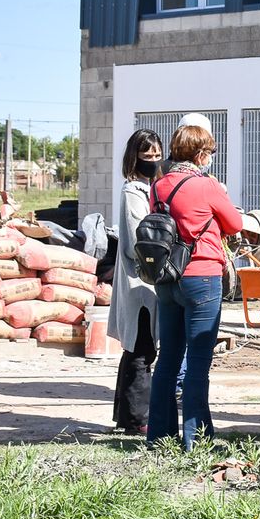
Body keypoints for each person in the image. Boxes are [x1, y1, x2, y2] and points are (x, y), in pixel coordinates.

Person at [146, 123, 243, 451]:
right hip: (202, 276)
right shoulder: (207, 185)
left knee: (168, 357)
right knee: (199, 359)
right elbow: (235, 224)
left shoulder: (158, 185)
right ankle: (197, 439)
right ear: (201, 154)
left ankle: (159, 436)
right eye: (210, 153)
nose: (210, 158)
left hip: (168, 277)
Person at [109, 129, 163, 434]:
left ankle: (126, 416)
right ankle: (138, 418)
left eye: (156, 156)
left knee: (139, 350)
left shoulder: (149, 189)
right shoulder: (133, 192)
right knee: (141, 350)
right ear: (135, 158)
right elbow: (137, 243)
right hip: (139, 282)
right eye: (147, 156)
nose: (153, 161)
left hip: (147, 282)